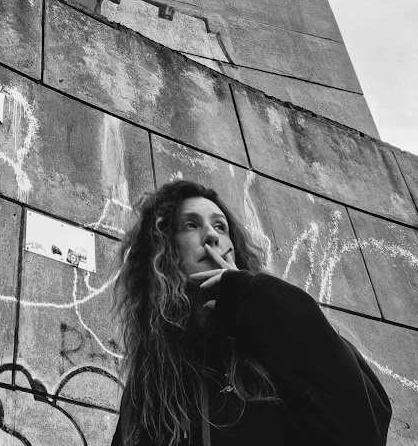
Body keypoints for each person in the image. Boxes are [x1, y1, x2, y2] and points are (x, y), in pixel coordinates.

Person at [110, 179, 391, 446]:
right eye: (190, 225)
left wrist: (255, 296)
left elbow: (364, 429)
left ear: (233, 248)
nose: (212, 235)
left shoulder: (281, 329)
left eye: (220, 227)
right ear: (164, 250)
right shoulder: (151, 380)